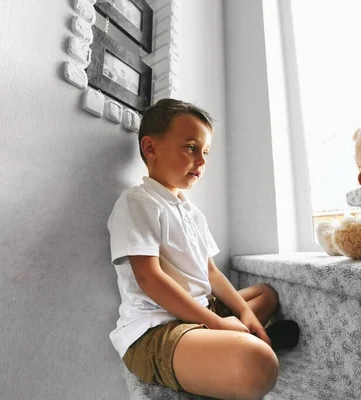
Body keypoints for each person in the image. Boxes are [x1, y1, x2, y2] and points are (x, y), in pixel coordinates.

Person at [107, 98, 299, 400]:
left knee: (264, 295)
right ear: (151, 148)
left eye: (206, 152)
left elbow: (211, 272)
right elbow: (149, 278)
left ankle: (235, 343)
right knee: (258, 366)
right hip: (157, 328)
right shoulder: (138, 202)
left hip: (200, 311)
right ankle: (248, 348)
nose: (202, 160)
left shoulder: (191, 211)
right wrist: (216, 323)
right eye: (191, 148)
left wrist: (244, 313)